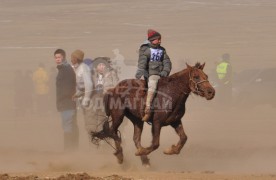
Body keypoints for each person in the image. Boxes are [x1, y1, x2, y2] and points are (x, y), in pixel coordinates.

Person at [135, 29, 172, 122]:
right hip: (151, 74)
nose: (160, 41)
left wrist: (165, 71)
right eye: (158, 39)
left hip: (162, 74)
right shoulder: (146, 50)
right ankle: (147, 109)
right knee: (153, 84)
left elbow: (167, 62)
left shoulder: (162, 50)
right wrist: (140, 72)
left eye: (160, 39)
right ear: (152, 40)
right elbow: (142, 62)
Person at [54, 48, 79, 151]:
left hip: (67, 103)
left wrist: (62, 98)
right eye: (56, 57)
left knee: (68, 127)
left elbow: (68, 88)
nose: (57, 59)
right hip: (65, 103)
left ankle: (68, 151)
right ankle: (72, 150)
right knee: (69, 126)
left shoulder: (66, 69)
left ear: (63, 57)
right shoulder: (63, 69)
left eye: (59, 57)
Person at [71, 50, 94, 134]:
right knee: (87, 120)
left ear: (76, 59)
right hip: (83, 96)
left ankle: (94, 140)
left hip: (90, 98)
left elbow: (89, 84)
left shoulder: (84, 68)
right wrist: (77, 94)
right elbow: (82, 86)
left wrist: (86, 99)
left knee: (90, 120)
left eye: (72, 57)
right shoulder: (78, 68)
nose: (71, 59)